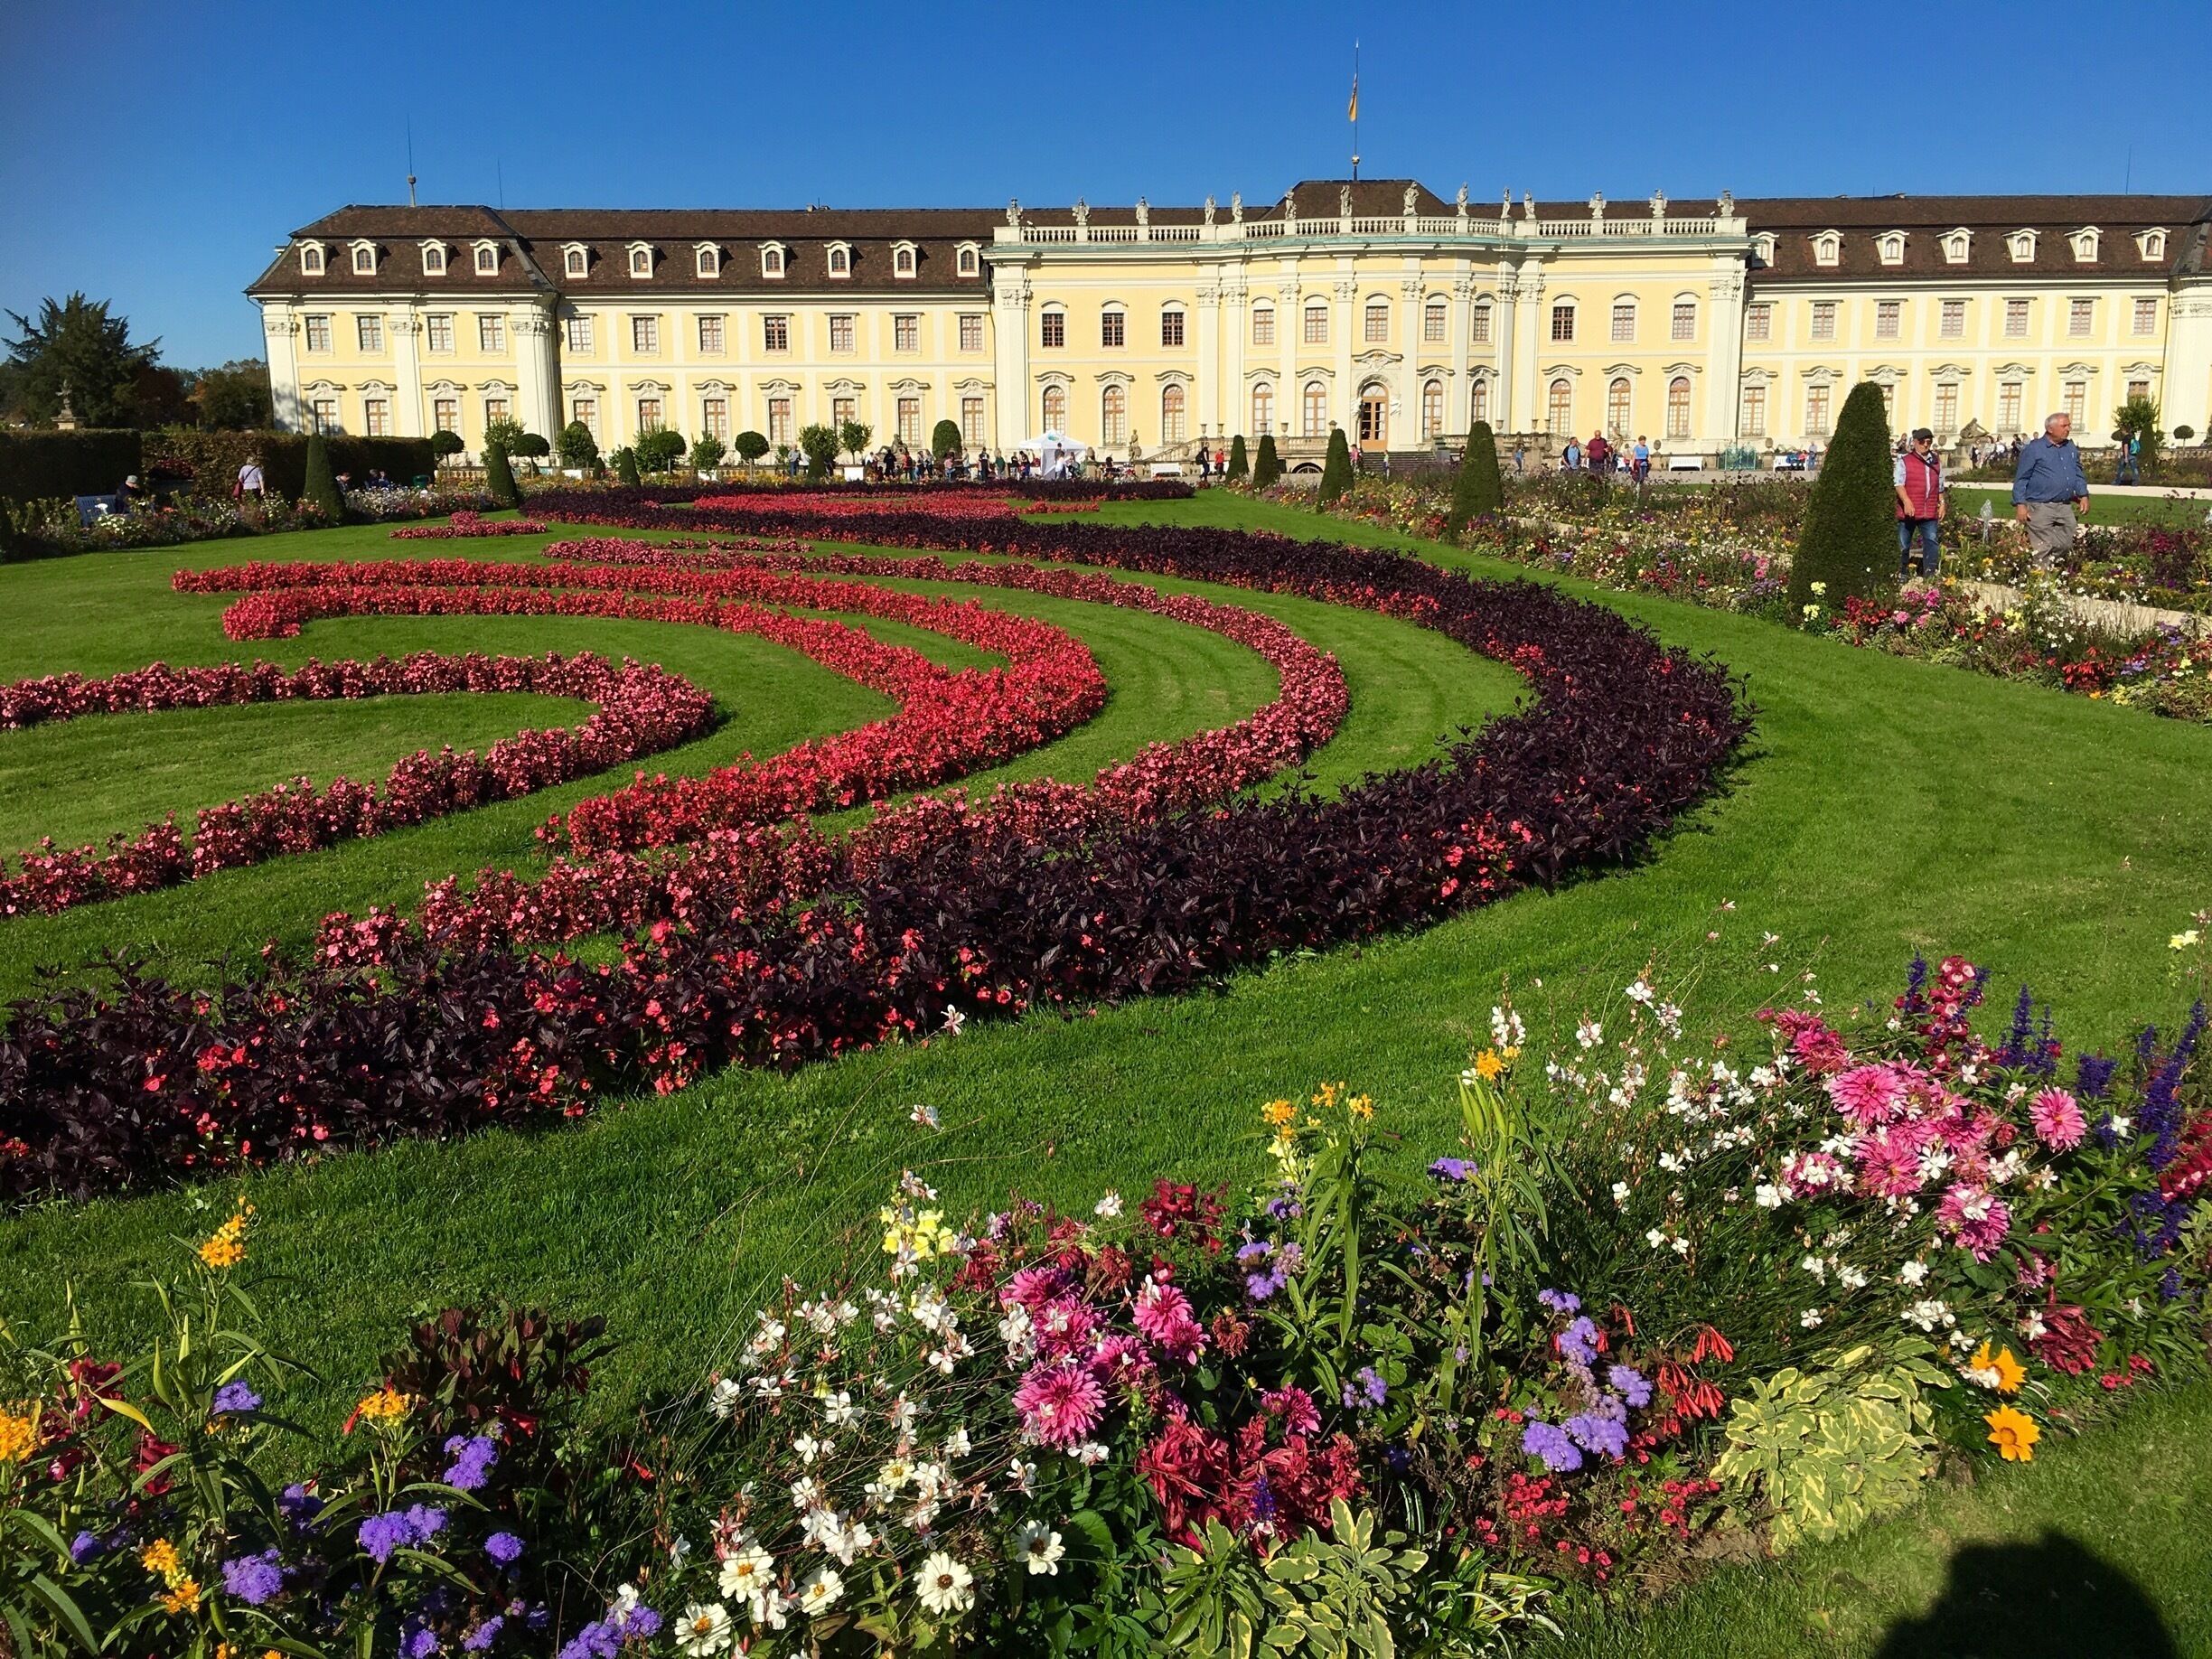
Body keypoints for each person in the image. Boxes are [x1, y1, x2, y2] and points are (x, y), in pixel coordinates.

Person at [2011, 412, 2090, 564]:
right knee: (2042, 547)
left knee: (2065, 544)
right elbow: (2021, 478)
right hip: (2040, 505)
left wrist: (2083, 494)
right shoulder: (2035, 449)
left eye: (2069, 425)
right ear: (2050, 428)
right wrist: (2020, 504)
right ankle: (2041, 581)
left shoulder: (2070, 448)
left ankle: (2050, 571)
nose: (2068, 428)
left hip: (2064, 506)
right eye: (2064, 426)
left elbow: (2078, 472)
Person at [1894, 427, 1946, 580]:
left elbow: (1940, 485)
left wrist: (1942, 502)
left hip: (1929, 511)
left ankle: (1930, 573)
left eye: (1928, 442)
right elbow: (1898, 484)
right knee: (1903, 544)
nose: (1925, 445)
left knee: (1931, 541)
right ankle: (1902, 573)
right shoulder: (1905, 461)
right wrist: (1906, 501)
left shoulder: (1936, 461)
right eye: (1922, 442)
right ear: (1915, 442)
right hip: (1909, 510)